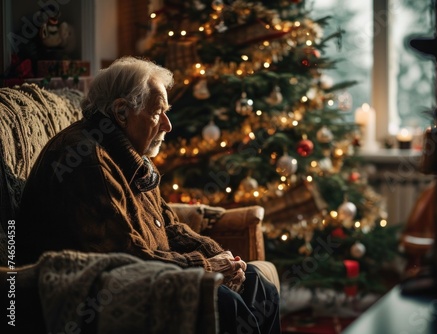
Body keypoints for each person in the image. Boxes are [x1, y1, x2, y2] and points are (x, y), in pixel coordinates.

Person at [17, 56, 281, 333]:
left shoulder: (131, 155)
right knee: (222, 302)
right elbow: (126, 256)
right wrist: (206, 267)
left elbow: (169, 226)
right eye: (158, 112)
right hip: (98, 292)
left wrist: (225, 260)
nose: (168, 125)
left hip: (150, 272)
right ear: (121, 112)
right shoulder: (85, 160)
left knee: (257, 283)